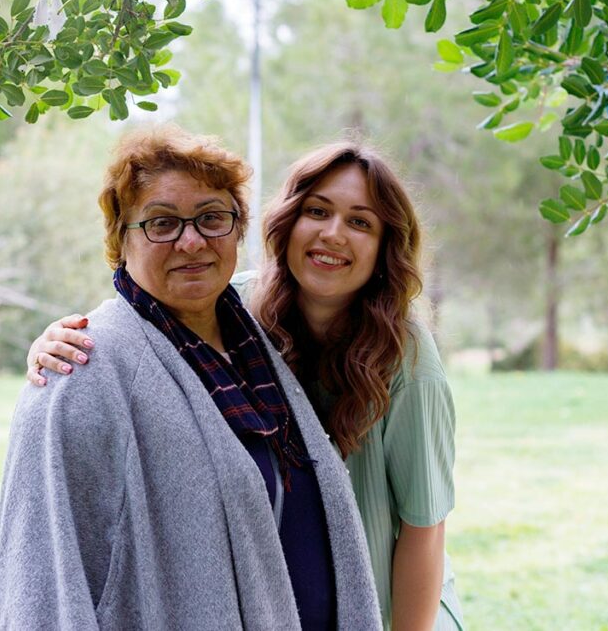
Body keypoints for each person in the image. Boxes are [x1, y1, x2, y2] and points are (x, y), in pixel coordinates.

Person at [27, 141, 465, 630]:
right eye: (317, 211)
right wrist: (56, 339)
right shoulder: (238, 308)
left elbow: (424, 528)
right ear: (287, 223)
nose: (333, 234)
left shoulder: (407, 359)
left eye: (361, 222)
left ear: (385, 247)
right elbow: (142, 318)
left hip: (386, 606)